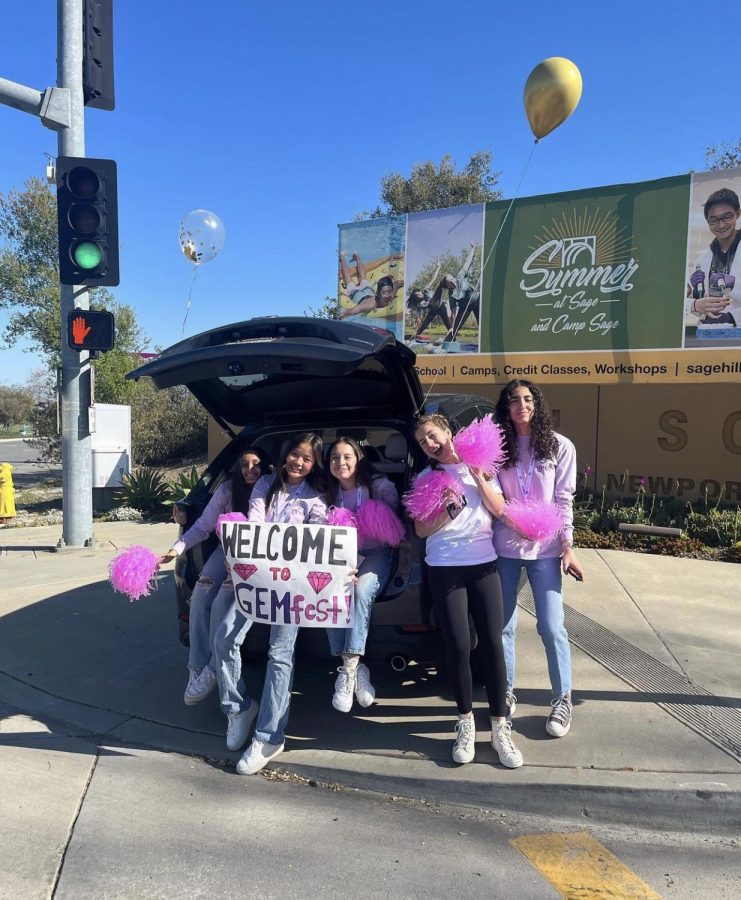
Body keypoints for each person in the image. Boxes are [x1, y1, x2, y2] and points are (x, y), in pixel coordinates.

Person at [410, 414, 523, 769]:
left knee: (492, 643)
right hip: (444, 567)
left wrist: (477, 478)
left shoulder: (483, 469)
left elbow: (500, 510)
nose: (430, 444)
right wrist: (449, 507)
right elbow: (420, 530)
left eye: (432, 435)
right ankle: (465, 722)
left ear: (448, 432)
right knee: (458, 646)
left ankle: (501, 727)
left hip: (484, 563)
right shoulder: (428, 478)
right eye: (423, 442)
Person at [493, 380, 584, 739]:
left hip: (545, 550)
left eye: (528, 399)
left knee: (550, 625)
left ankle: (562, 698)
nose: (521, 405)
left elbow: (563, 500)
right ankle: (505, 692)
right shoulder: (499, 447)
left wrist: (568, 546)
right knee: (502, 627)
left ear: (538, 404)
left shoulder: (560, 446)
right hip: (504, 549)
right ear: (506, 407)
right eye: (514, 400)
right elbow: (493, 495)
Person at [233, 433, 328, 774]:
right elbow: (255, 522)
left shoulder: (317, 496)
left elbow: (318, 537)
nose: (298, 462)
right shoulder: (266, 485)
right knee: (227, 637)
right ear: (285, 455)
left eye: (306, 458)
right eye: (294, 455)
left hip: (293, 586)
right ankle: (237, 708)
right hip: (257, 579)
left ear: (314, 463)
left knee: (279, 653)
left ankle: (270, 735)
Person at [159, 448, 270, 707]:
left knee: (222, 600)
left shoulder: (272, 488)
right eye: (244, 464)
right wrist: (174, 550)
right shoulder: (228, 489)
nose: (250, 469)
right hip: (225, 551)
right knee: (200, 593)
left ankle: (212, 668)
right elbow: (201, 527)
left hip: (257, 559)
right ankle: (196, 668)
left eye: (256, 464)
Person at [325, 437, 399, 713]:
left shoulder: (378, 486)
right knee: (333, 591)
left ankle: (347, 669)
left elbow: (396, 525)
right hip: (341, 558)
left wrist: (374, 515)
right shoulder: (327, 493)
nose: (340, 462)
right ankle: (355, 670)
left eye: (346, 457)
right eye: (334, 457)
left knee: (359, 590)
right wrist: (343, 565)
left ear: (358, 459)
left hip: (377, 553)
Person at [686, 188, 741, 330]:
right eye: (714, 220)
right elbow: (685, 304)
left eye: (727, 217)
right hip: (708, 335)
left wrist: (733, 317)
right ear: (708, 222)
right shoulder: (701, 260)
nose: (721, 225)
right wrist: (695, 302)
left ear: (738, 214)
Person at [338, 251, 404, 319]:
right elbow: (352, 311)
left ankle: (356, 257)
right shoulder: (371, 305)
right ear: (378, 293)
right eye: (384, 293)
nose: (387, 296)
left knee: (361, 277)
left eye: (389, 292)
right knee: (349, 280)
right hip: (357, 295)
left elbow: (397, 283)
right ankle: (343, 258)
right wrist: (339, 316)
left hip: (365, 292)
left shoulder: (390, 297)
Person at [442, 243, 480, 342]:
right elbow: (453, 313)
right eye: (450, 282)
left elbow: (467, 263)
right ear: (447, 285)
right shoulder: (451, 296)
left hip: (477, 300)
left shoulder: (460, 276)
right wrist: (452, 326)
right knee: (454, 330)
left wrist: (473, 249)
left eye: (452, 279)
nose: (453, 281)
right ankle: (446, 343)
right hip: (465, 306)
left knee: (482, 324)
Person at [408, 263, 454, 342]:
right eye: (417, 296)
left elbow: (434, 278)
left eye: (419, 294)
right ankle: (414, 337)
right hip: (432, 310)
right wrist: (416, 329)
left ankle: (453, 338)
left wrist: (438, 267)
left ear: (420, 292)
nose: (419, 296)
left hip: (440, 305)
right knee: (425, 324)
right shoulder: (420, 304)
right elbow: (419, 318)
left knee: (447, 323)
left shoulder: (426, 289)